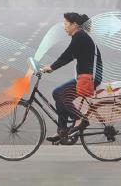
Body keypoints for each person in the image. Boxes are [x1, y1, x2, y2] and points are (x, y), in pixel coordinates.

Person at [41, 13, 103, 142]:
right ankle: (63, 131)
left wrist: (52, 67)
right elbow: (69, 56)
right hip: (85, 76)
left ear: (74, 25)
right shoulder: (80, 36)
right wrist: (51, 66)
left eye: (66, 24)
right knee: (58, 93)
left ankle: (81, 120)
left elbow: (67, 54)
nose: (64, 27)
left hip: (89, 78)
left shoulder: (80, 36)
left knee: (60, 94)